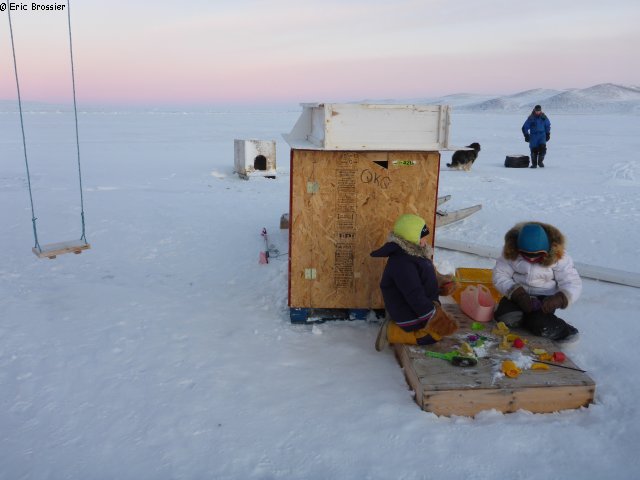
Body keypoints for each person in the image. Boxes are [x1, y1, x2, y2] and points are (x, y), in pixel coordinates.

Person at [371, 213, 458, 351]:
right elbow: (414, 294)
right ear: (412, 239)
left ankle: (423, 321)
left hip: (419, 307)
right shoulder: (402, 263)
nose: (425, 242)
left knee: (440, 328)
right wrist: (433, 316)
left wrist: (441, 283)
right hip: (408, 312)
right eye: (423, 238)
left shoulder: (415, 254)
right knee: (434, 335)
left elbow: (427, 274)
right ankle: (391, 332)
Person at [492, 222, 582, 343]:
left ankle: (565, 330)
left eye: (538, 255)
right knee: (505, 318)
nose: (532, 259)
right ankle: (525, 319)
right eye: (527, 255)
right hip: (517, 294)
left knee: (541, 326)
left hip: (544, 301)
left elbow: (572, 282)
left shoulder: (559, 257)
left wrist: (560, 298)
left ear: (547, 250)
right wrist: (517, 294)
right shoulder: (511, 253)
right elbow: (500, 275)